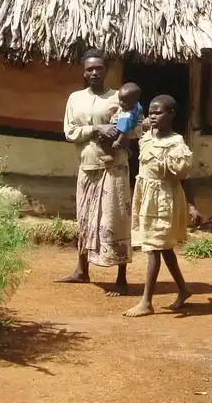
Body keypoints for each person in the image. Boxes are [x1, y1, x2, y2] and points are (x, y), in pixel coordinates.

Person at [60, 50, 138, 295]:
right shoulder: (75, 99)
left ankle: (121, 277)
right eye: (89, 69)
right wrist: (97, 129)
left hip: (114, 166)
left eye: (99, 68)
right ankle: (82, 270)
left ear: (107, 71)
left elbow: (135, 127)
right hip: (88, 164)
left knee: (116, 219)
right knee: (84, 218)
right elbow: (70, 131)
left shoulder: (119, 97)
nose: (94, 72)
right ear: (84, 72)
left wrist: (121, 135)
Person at [124, 94, 201, 317]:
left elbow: (185, 177)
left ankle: (146, 302)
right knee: (164, 248)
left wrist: (192, 205)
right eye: (151, 112)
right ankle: (184, 289)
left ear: (172, 114)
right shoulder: (147, 136)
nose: (153, 116)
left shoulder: (176, 144)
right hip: (146, 196)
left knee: (154, 249)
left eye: (158, 112)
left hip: (164, 199)